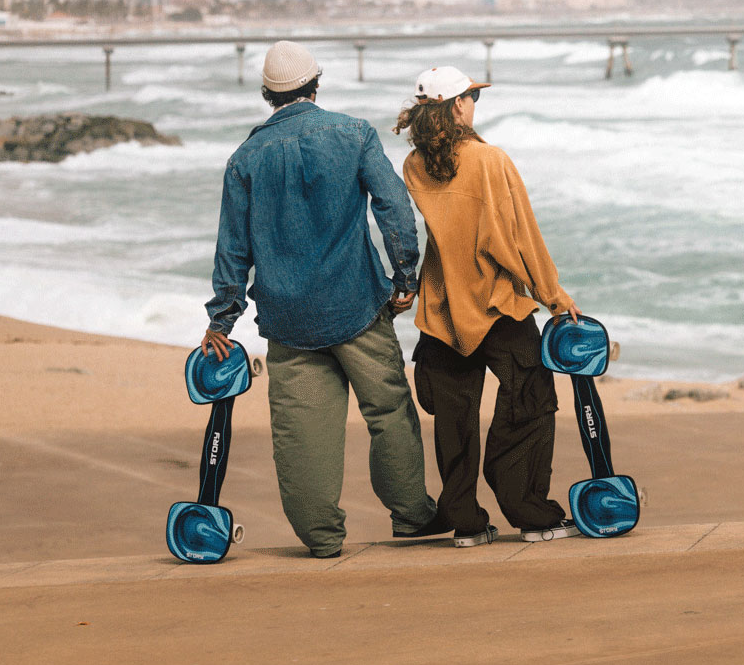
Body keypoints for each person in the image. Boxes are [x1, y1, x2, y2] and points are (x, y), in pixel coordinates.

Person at [202, 41, 441, 559]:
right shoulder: (353, 133)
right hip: (357, 304)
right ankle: (412, 515)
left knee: (300, 431)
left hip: (288, 318)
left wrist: (222, 320)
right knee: (389, 412)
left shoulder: (245, 158)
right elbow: (394, 206)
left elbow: (232, 249)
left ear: (268, 94)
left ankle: (322, 538)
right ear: (316, 84)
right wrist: (406, 276)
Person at [393, 65, 582, 547]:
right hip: (497, 305)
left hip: (442, 312)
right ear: (458, 105)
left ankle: (466, 523)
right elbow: (521, 237)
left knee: (454, 424)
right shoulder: (491, 160)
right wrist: (553, 297)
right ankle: (530, 512)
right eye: (473, 96)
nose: (475, 103)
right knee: (532, 400)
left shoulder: (414, 166)